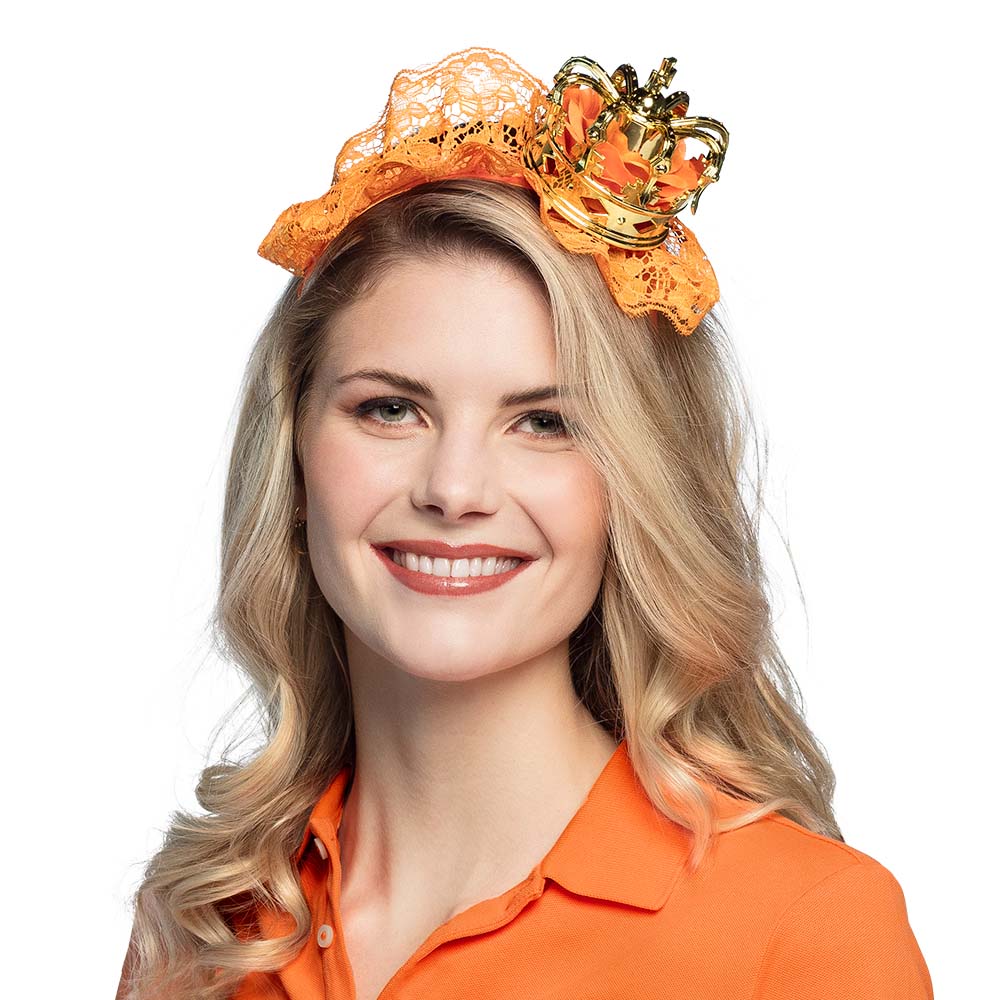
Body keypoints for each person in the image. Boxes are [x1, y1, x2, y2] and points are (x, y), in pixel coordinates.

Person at [115, 47, 933, 1000]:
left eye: (544, 422)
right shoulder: (208, 922)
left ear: (635, 484)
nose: (455, 488)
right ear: (293, 457)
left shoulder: (801, 929)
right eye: (390, 409)